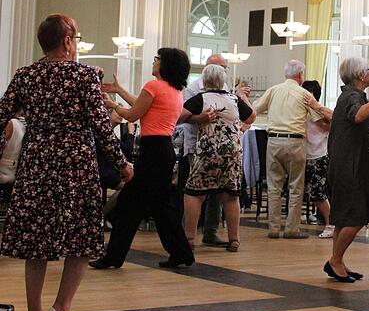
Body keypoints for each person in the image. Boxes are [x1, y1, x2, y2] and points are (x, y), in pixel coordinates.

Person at [0, 14, 133, 311]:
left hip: (36, 165)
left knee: (37, 239)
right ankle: (62, 310)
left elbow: (1, 115)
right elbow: (102, 127)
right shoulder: (84, 76)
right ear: (68, 41)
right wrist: (122, 163)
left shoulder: (25, 76)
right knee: (81, 238)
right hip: (75, 165)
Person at [91, 48, 194, 270]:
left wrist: (112, 105)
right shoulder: (175, 91)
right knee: (161, 206)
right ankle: (181, 253)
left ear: (165, 64)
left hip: (152, 151)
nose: (154, 61)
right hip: (164, 151)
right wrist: (119, 91)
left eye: (157, 59)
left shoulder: (154, 86)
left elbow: (132, 114)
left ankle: (112, 257)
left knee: (130, 203)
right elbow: (143, 104)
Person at [179, 64, 255, 252]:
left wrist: (197, 118)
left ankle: (189, 238)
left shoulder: (200, 99)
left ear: (204, 81)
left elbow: (179, 117)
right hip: (232, 153)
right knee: (230, 195)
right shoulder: (234, 99)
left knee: (194, 193)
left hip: (207, 152)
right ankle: (234, 239)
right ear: (223, 81)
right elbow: (251, 117)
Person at [323, 57, 369, 282]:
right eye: (368, 70)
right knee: (356, 216)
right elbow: (358, 116)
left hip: (346, 162)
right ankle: (335, 261)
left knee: (343, 217)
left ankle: (337, 260)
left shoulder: (350, 95)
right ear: (360, 75)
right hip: (352, 165)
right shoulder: (353, 96)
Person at [252, 60, 329, 239]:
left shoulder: (273, 90)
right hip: (295, 142)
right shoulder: (304, 94)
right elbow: (319, 119)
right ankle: (292, 229)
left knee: (273, 186)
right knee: (295, 187)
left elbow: (255, 110)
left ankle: (273, 228)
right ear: (301, 75)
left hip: (273, 141)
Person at [302, 80, 334, 239]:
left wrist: (317, 111)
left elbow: (334, 121)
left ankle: (331, 223)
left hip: (319, 154)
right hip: (307, 155)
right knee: (312, 193)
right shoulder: (303, 111)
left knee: (318, 193)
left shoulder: (319, 111)